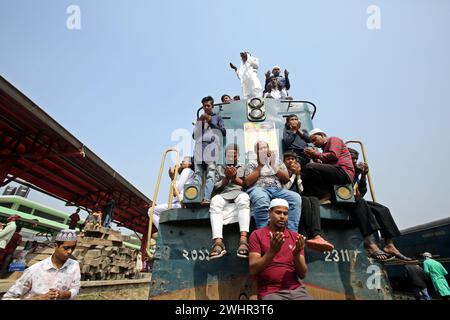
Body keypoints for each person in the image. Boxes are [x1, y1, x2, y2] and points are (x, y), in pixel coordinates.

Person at [348, 148, 415, 262]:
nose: (354, 161)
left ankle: (389, 245)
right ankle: (369, 243)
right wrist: (357, 174)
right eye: (352, 158)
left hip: (356, 199)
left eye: (356, 159)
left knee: (382, 209)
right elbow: (345, 188)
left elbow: (361, 192)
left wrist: (363, 175)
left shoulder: (355, 171)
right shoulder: (343, 168)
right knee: (360, 201)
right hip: (344, 201)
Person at [248, 198, 312, 300]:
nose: (282, 216)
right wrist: (272, 252)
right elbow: (253, 270)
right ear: (269, 213)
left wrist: (296, 255)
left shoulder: (295, 237)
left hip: (296, 289)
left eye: (285, 214)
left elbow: (303, 274)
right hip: (270, 291)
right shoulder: (257, 235)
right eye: (278, 212)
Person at [2, 229, 81, 300]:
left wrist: (64, 294)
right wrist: (39, 298)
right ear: (55, 246)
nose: (70, 252)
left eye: (73, 248)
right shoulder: (34, 270)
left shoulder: (74, 265)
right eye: (66, 248)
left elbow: (75, 288)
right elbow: (8, 298)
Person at [283, 151, 334, 252]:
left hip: (297, 196)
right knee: (305, 200)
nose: (291, 161)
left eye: (292, 159)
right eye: (288, 159)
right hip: (286, 197)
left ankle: (317, 235)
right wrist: (293, 175)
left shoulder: (297, 172)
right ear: (284, 161)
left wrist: (298, 176)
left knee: (313, 199)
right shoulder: (282, 171)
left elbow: (301, 190)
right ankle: (312, 235)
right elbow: (286, 188)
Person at [244, 141, 301, 232]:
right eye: (260, 148)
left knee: (296, 198)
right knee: (261, 198)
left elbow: (286, 179)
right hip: (259, 188)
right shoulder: (251, 163)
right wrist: (260, 165)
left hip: (277, 189)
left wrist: (273, 164)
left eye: (265, 147)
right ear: (256, 152)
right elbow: (247, 182)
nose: (263, 150)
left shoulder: (277, 161)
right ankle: (264, 234)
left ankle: (292, 234)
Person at [208, 144, 250, 260]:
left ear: (238, 155)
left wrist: (235, 178)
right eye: (229, 155)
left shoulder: (244, 167)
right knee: (215, 201)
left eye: (234, 155)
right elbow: (216, 187)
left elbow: (247, 184)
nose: (231, 158)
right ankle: (218, 243)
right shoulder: (220, 168)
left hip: (239, 192)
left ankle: (243, 240)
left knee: (244, 199)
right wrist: (226, 178)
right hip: (224, 194)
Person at [302, 128, 354, 203]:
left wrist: (315, 154)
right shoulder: (324, 149)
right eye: (312, 142)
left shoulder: (333, 139)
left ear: (322, 135)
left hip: (343, 171)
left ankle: (324, 195)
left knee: (310, 166)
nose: (314, 143)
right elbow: (325, 165)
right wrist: (314, 157)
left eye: (314, 139)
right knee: (307, 176)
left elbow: (334, 155)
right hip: (337, 172)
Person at [193, 96, 226, 204]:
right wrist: (200, 124)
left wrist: (210, 122)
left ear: (212, 106)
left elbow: (223, 132)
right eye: (204, 106)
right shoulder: (200, 119)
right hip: (199, 148)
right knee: (197, 174)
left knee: (211, 174)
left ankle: (207, 198)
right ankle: (195, 199)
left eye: (208, 105)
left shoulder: (217, 118)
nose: (206, 108)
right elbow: (194, 136)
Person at [151, 156, 195, 228]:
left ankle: (162, 229)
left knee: (151, 211)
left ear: (190, 164)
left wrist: (173, 177)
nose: (182, 162)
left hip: (180, 204)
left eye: (184, 161)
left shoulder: (187, 170)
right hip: (181, 203)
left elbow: (176, 191)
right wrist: (173, 178)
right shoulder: (191, 174)